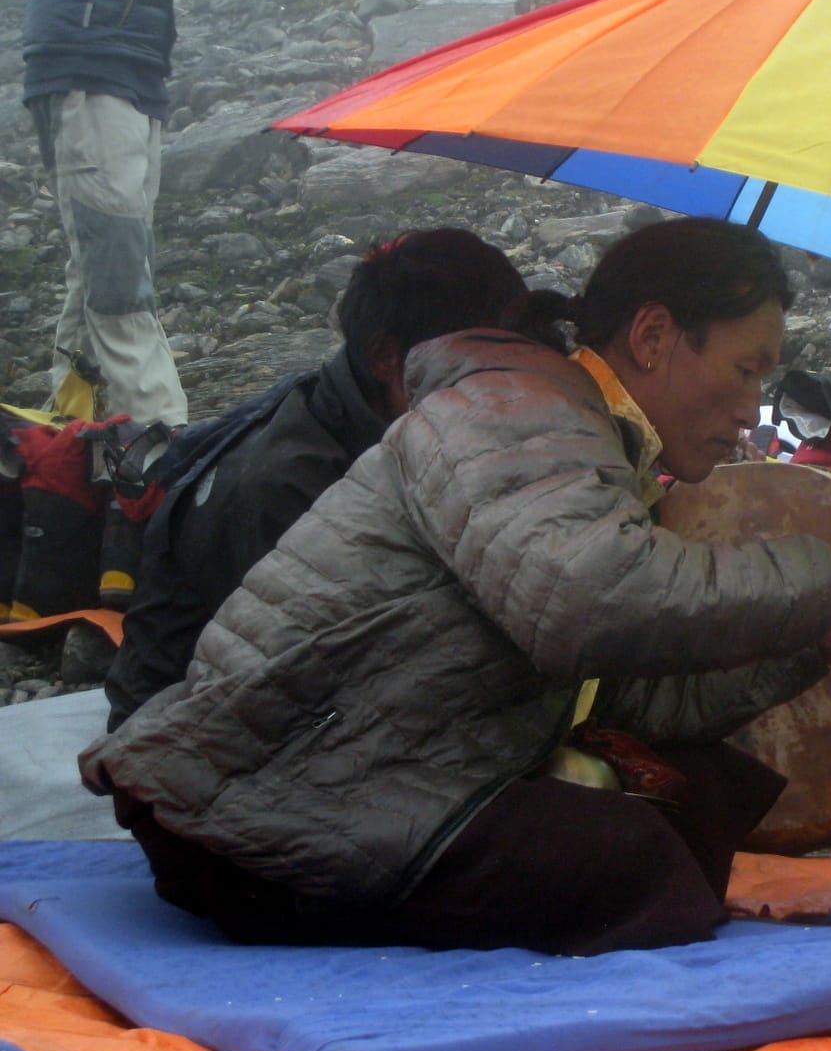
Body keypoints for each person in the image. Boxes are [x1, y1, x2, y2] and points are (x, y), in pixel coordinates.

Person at [80, 217, 831, 956]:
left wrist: (802, 638)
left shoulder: (594, 440)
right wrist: (824, 584)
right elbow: (585, 601)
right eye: (745, 370)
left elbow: (634, 700)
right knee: (636, 863)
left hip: (354, 769)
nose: (752, 409)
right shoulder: (519, 410)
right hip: (263, 806)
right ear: (653, 337)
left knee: (700, 794)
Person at [101, 229, 530, 732]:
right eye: (471, 369)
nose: (496, 390)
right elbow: (335, 685)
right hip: (186, 742)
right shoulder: (286, 488)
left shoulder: (369, 415)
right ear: (387, 358)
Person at [22, 0, 198, 426]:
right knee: (117, 272)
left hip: (128, 65)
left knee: (103, 262)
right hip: (91, 62)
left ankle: (72, 435)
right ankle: (159, 440)